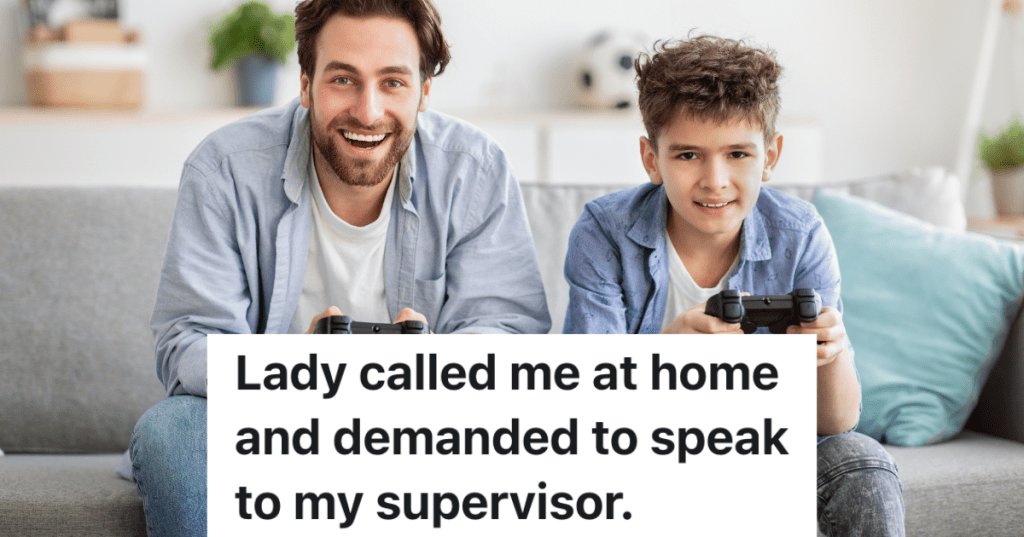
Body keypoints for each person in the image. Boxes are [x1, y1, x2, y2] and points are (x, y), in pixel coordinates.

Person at [129, 0, 550, 533]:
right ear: (305, 85)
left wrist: (422, 370)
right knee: (176, 432)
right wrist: (290, 371)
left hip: (422, 435)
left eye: (393, 82)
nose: (368, 111)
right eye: (343, 80)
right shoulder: (224, 169)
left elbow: (510, 333)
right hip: (268, 430)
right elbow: (187, 341)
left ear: (423, 91)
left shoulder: (475, 170)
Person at [563, 35, 904, 535]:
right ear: (651, 159)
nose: (715, 180)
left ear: (770, 156)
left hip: (761, 454)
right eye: (687, 156)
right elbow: (581, 413)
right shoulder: (603, 233)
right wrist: (664, 355)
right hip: (640, 460)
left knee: (861, 463)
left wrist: (832, 353)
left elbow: (835, 423)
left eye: (739, 153)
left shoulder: (800, 233)